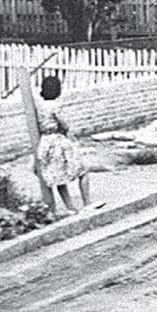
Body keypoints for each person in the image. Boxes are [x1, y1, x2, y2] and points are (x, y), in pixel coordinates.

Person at [33, 73, 100, 217]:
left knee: (58, 175)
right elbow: (64, 124)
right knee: (83, 168)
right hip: (58, 141)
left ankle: (70, 206)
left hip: (45, 142)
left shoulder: (40, 106)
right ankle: (87, 203)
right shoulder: (55, 106)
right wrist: (69, 132)